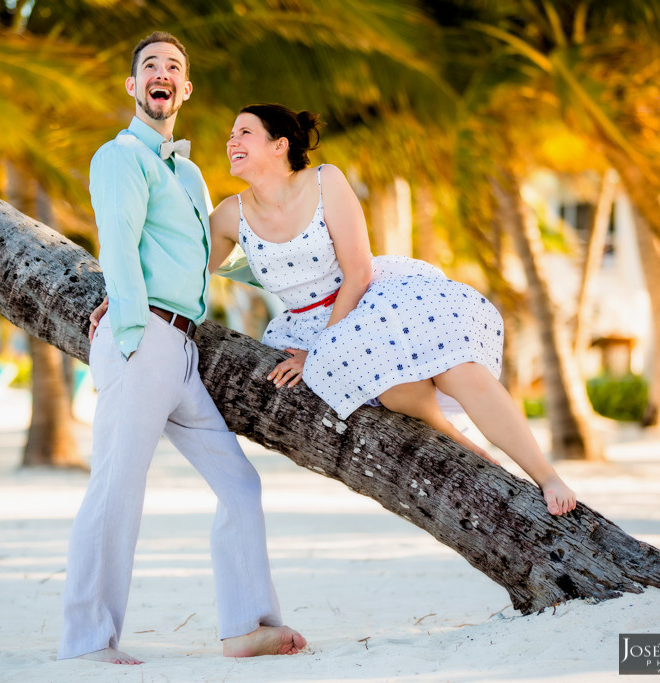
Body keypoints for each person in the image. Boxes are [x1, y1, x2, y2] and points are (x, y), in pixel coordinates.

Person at [60, 35, 306, 666]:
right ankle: (87, 642)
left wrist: (305, 272)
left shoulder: (190, 173)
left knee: (240, 485)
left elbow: (208, 259)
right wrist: (131, 328)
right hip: (146, 344)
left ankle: (245, 626)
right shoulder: (121, 157)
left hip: (184, 352)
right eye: (150, 67)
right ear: (133, 87)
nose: (161, 75)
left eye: (174, 68)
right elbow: (118, 243)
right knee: (116, 488)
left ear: (185, 89)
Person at [208, 103, 576, 516]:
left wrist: (324, 351)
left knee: (460, 370)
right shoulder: (228, 215)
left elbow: (359, 271)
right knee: (401, 393)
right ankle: (476, 451)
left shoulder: (324, 180)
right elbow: (189, 267)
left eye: (244, 133)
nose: (231, 141)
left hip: (366, 298)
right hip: (304, 324)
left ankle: (547, 475)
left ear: (279, 145)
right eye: (231, 135)